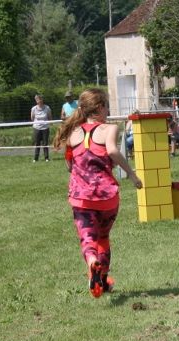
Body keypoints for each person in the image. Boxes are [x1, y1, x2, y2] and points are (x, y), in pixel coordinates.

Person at [53, 88, 143, 298]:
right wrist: (131, 174)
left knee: (88, 239)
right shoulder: (110, 129)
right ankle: (102, 280)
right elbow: (112, 150)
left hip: (81, 197)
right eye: (107, 106)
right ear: (101, 107)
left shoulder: (73, 133)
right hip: (106, 197)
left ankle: (92, 263)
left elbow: (69, 164)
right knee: (103, 236)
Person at [31, 94, 52, 162]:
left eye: (39, 99)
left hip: (45, 128)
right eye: (36, 99)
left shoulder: (47, 108)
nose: (38, 101)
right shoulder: (33, 108)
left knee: (45, 143)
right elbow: (32, 118)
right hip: (36, 128)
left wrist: (49, 123)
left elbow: (49, 117)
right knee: (37, 143)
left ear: (42, 100)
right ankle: (35, 158)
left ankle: (46, 158)